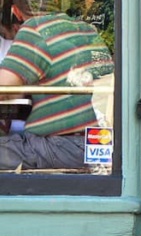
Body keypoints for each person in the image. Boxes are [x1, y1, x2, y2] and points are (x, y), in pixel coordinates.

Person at [0, 0, 114, 170]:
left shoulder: (36, 29)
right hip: (100, 143)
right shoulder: (86, 29)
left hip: (63, 147)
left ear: (15, 12)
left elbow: (5, 89)